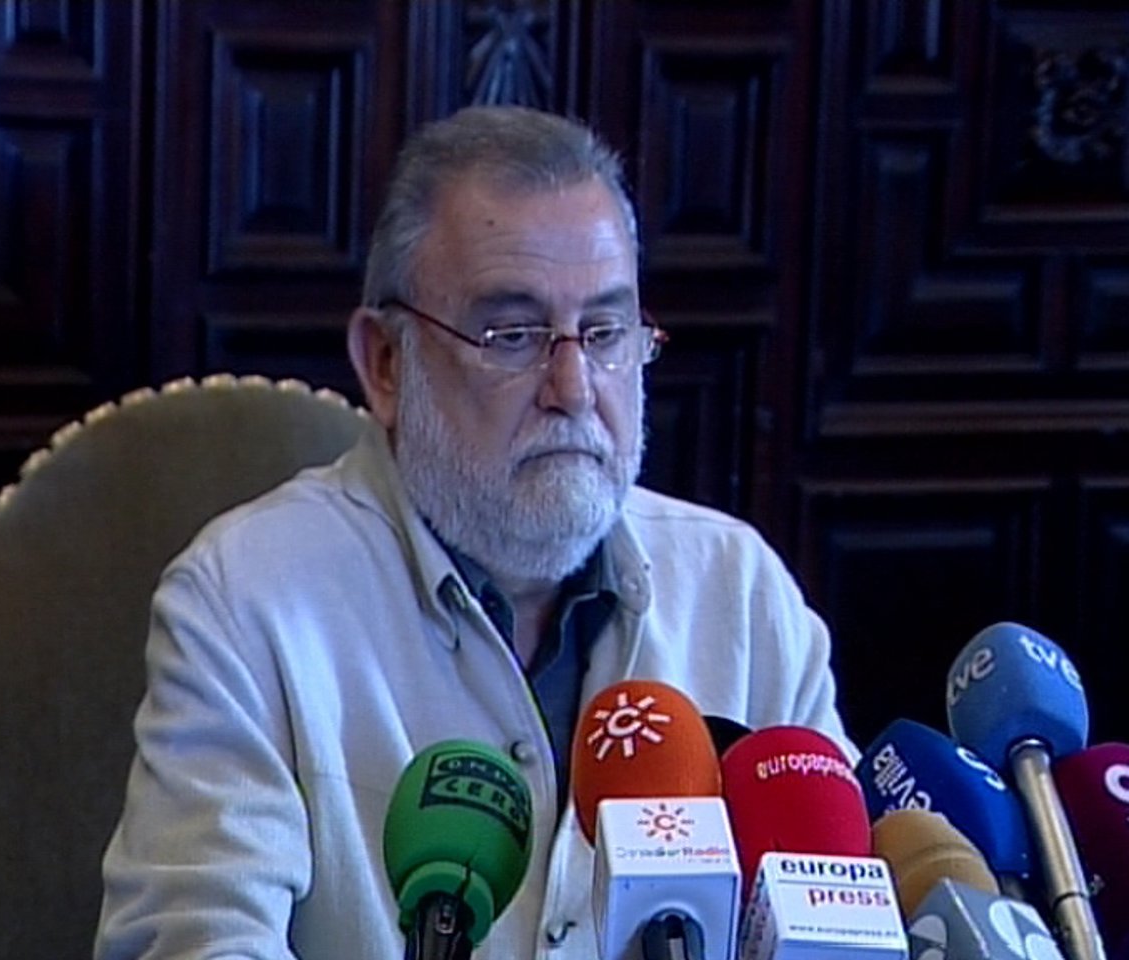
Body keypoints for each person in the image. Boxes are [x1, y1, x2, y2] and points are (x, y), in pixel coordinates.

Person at [95, 105, 854, 959]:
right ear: (387, 363)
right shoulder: (246, 599)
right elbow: (195, 941)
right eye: (514, 335)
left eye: (605, 332)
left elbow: (837, 912)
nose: (574, 388)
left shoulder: (741, 591)